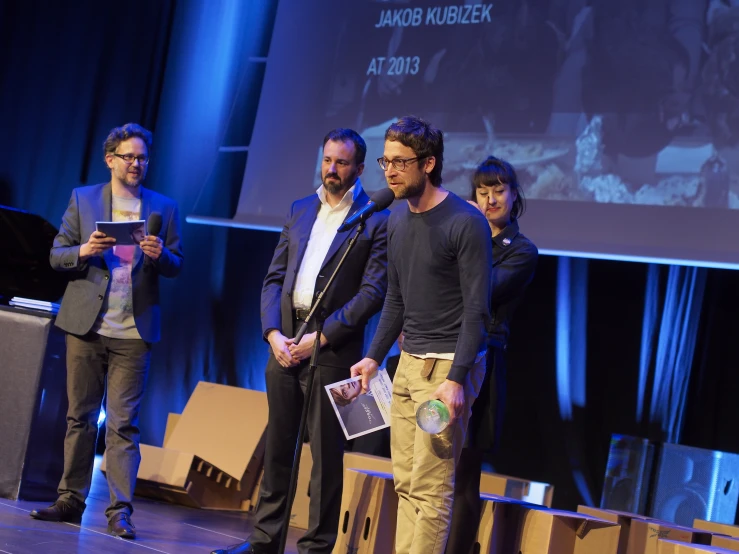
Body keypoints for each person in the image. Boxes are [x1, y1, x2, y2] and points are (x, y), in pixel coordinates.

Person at [211, 128, 388, 554]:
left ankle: (315, 547)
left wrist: (320, 339)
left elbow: (373, 292)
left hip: (333, 352)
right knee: (278, 450)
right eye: (327, 160)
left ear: (360, 168)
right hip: (285, 346)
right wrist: (273, 333)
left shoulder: (375, 218)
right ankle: (263, 542)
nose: (331, 169)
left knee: (326, 461)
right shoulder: (301, 208)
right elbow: (275, 278)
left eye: (341, 162)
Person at [31, 123, 184, 539]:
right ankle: (70, 499)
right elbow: (56, 255)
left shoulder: (163, 207)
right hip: (86, 325)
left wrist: (160, 254)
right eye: (129, 156)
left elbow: (177, 264)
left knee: (123, 424)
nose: (136, 164)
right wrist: (85, 250)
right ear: (110, 159)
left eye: (143, 158)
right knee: (78, 417)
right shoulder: (84, 199)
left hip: (134, 332)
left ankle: (120, 511)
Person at [351, 116, 493, 554]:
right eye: (385, 161)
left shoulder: (465, 221)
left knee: (431, 489)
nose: (389, 171)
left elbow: (477, 309)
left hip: (446, 370)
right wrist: (374, 357)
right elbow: (396, 298)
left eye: (400, 162)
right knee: (407, 482)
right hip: (408, 365)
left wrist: (456, 380)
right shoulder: (396, 220)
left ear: (428, 164)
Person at [445, 156, 538, 553]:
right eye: (482, 191)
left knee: (465, 472)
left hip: (484, 359)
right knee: (431, 469)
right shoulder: (462, 234)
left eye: (498, 190)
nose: (490, 199)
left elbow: (479, 294)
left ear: (514, 194)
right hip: (439, 354)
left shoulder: (521, 250)